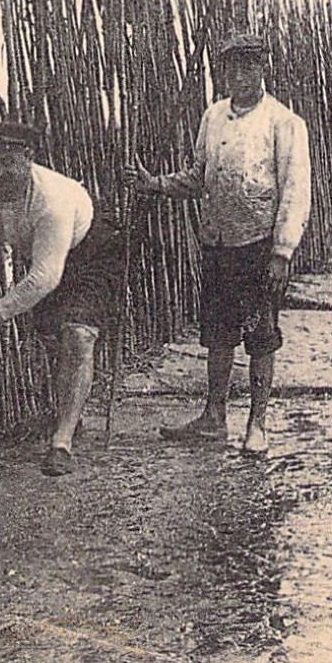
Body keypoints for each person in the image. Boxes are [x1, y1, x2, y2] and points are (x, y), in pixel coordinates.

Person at [125, 32, 311, 455]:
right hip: (218, 242)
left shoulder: (283, 122)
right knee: (218, 332)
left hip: (259, 244)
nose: (240, 76)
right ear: (222, 72)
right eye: (232, 67)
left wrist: (282, 252)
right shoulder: (213, 117)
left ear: (263, 69)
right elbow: (198, 177)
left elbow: (295, 191)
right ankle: (213, 417)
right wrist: (155, 184)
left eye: (249, 66)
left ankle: (257, 424)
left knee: (261, 333)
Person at [0, 121, 124, 477]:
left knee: (78, 335)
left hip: (90, 249)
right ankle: (70, 411)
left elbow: (45, 277)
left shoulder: (51, 200)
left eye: (8, 163)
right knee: (52, 339)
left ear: (28, 159)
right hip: (42, 254)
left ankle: (62, 442)